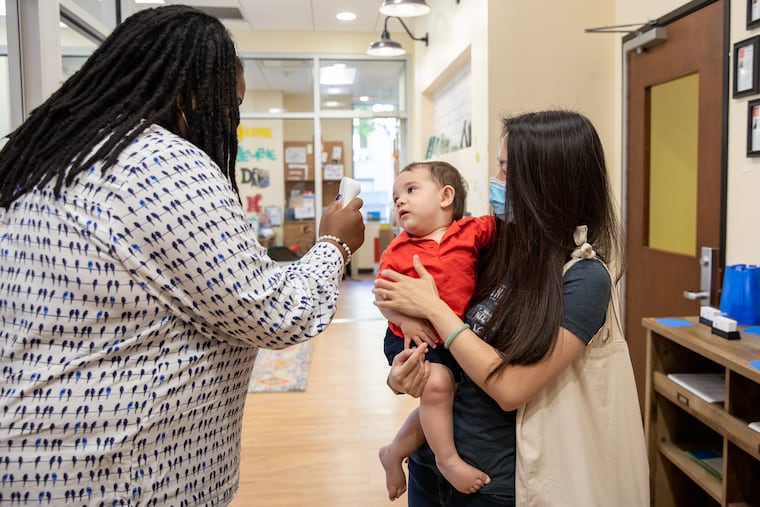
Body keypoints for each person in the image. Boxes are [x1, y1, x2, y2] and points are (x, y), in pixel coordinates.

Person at [0, 5, 364, 506]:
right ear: (191, 95)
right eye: (229, 107)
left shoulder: (49, 158)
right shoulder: (159, 164)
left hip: (35, 458)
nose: (231, 124)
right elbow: (275, 312)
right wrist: (334, 244)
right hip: (114, 473)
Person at [376, 110, 623, 506]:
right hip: (428, 468)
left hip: (493, 484)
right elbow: (412, 317)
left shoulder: (583, 278)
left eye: (506, 171)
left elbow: (511, 389)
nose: (495, 182)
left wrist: (436, 309)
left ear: (547, 182)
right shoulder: (497, 247)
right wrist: (399, 376)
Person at [376, 162, 495, 501]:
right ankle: (447, 460)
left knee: (441, 399)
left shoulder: (472, 231)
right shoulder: (398, 249)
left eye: (411, 190)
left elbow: (512, 230)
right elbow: (382, 298)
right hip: (411, 336)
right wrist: (406, 320)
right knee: (439, 386)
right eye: (396, 196)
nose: (400, 201)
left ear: (446, 196)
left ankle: (393, 451)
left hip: (452, 334)